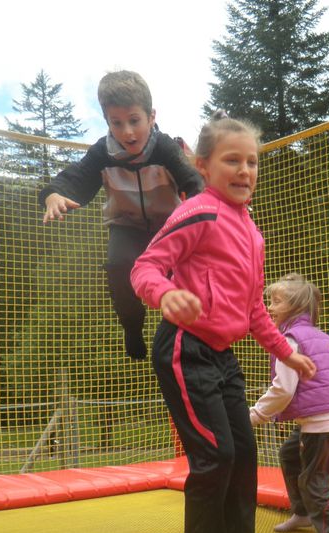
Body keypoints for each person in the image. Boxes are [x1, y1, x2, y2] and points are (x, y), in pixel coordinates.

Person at [130, 113, 317, 533]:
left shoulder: (251, 232)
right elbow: (147, 266)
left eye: (252, 162)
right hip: (183, 349)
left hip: (222, 356)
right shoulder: (199, 212)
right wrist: (164, 294)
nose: (245, 170)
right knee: (215, 455)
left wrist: (286, 352)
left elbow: (254, 308)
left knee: (244, 451)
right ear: (204, 166)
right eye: (232, 160)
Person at [39, 70, 203, 360]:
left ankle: (183, 330)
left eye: (134, 121)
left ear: (151, 117)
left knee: (184, 271)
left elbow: (192, 180)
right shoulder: (103, 153)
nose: (127, 132)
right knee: (119, 265)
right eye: (117, 123)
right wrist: (53, 194)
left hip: (167, 225)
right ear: (107, 122)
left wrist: (206, 210)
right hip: (125, 224)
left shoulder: (165, 147)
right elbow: (76, 178)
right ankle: (132, 325)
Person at [249, 274, 329, 533]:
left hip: (320, 420)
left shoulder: (290, 340)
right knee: (289, 453)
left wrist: (256, 414)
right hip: (321, 417)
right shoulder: (321, 337)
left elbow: (284, 389)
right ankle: (302, 513)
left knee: (314, 478)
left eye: (276, 301)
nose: (269, 307)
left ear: (295, 307)